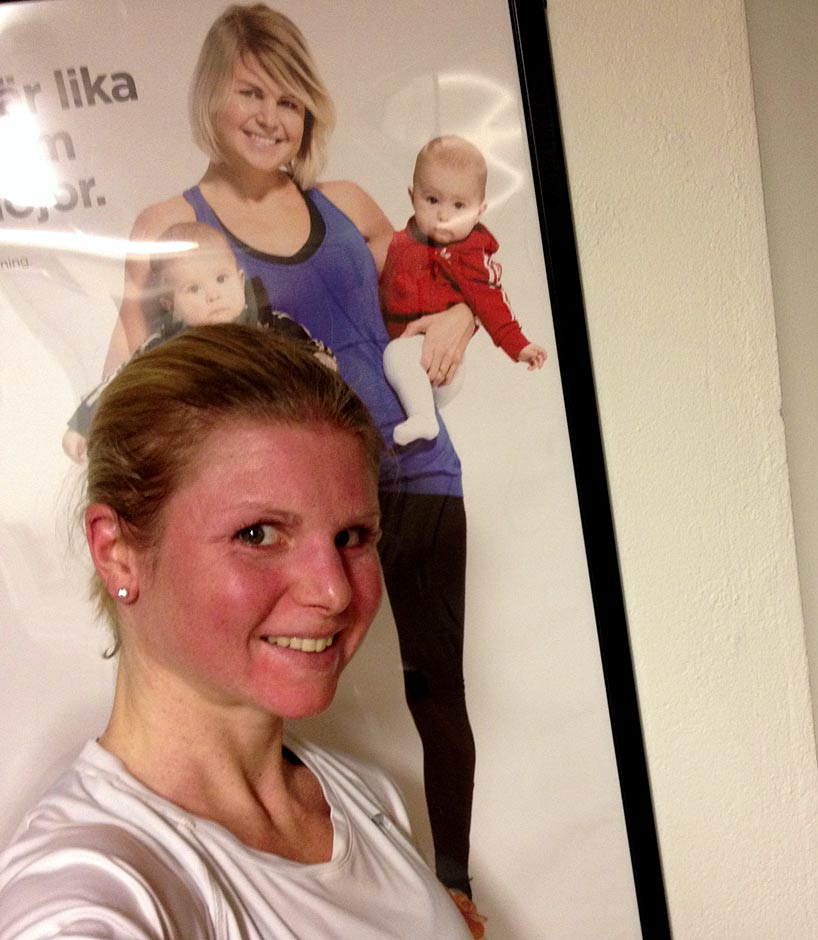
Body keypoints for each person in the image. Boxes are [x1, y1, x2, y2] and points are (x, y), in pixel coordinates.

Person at [101, 3, 483, 922]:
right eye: (251, 93)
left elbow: (437, 284)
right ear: (211, 98)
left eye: (290, 99)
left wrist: (462, 316)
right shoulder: (170, 224)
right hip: (281, 512)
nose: (271, 116)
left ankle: (454, 885)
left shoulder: (346, 206)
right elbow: (126, 386)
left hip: (414, 476)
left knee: (437, 685)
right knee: (281, 694)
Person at [0, 324, 475, 940]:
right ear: (118, 554)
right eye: (258, 534)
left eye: (352, 536)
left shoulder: (364, 797)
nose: (333, 591)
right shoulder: (88, 889)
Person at [63, 221, 335, 462]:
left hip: (272, 434)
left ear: (240, 279)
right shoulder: (166, 348)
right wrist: (83, 423)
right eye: (194, 288)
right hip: (200, 447)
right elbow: (121, 383)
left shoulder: (271, 326)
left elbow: (316, 357)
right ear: (170, 303)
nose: (213, 295)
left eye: (221, 279)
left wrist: (321, 367)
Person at [380, 136, 547, 445]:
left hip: (435, 361)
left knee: (396, 355)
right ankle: (419, 417)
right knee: (394, 369)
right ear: (413, 196)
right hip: (410, 361)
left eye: (459, 205)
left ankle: (424, 419)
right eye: (432, 200)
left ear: (479, 211)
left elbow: (492, 301)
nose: (444, 216)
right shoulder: (403, 241)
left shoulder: (468, 254)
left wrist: (519, 346)